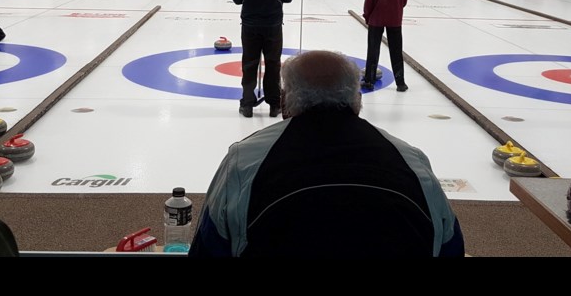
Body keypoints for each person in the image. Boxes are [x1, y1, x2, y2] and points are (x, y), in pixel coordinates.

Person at [188, 50, 464, 258]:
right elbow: (450, 245)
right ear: (357, 101)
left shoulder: (244, 160)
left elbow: (208, 248)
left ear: (285, 102)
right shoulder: (411, 161)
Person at [230, 0, 294, 118]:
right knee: (273, 64)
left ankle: (248, 104)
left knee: (249, 64)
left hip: (250, 26)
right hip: (273, 26)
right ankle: (274, 105)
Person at [362, 0, 408, 92]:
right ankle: (400, 83)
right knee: (396, 50)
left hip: (376, 18)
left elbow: (369, 0)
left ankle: (369, 80)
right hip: (395, 19)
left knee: (373, 50)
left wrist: (367, 15)